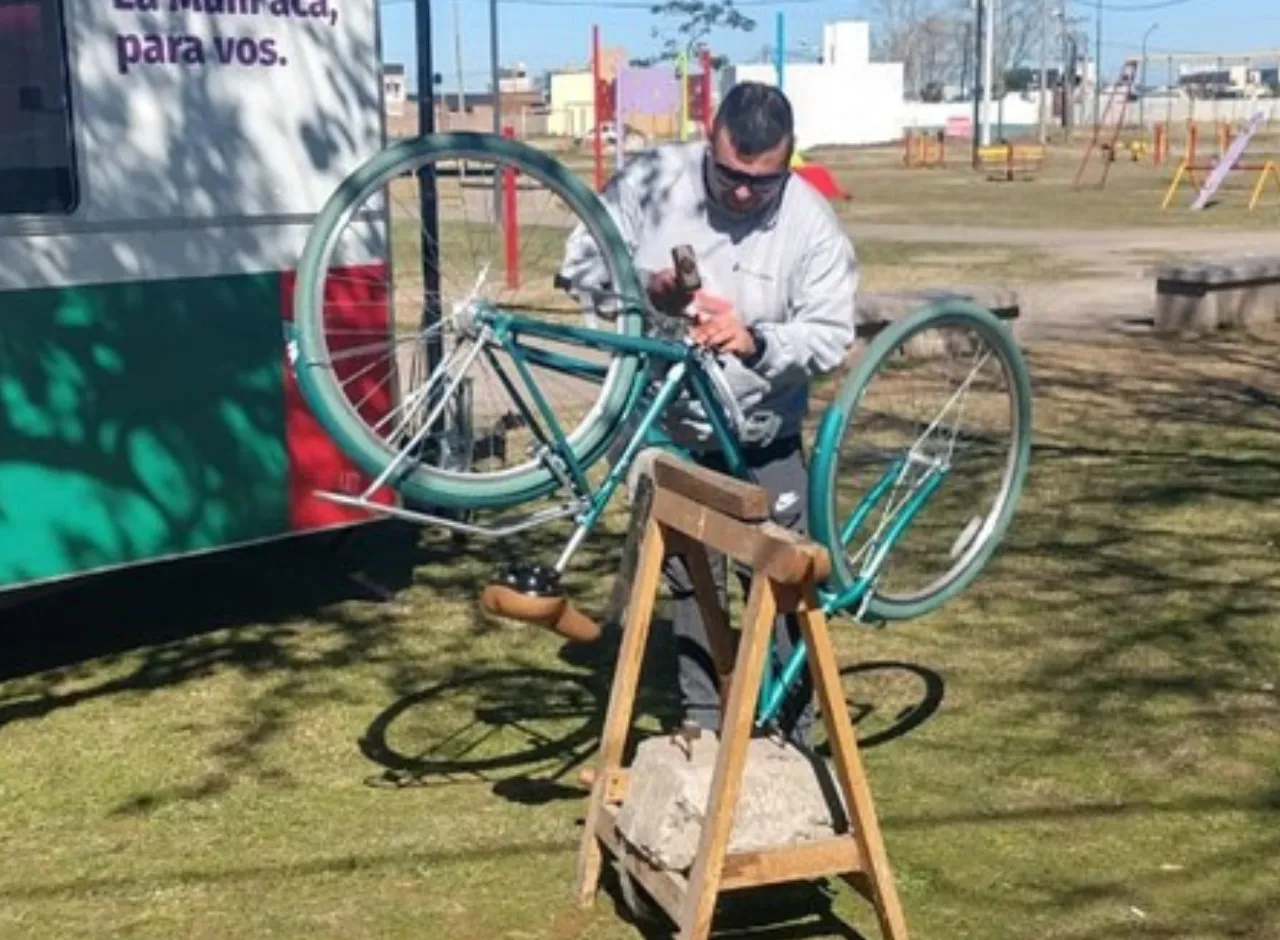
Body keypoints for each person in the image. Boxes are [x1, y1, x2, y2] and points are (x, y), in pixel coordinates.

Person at [558, 81, 860, 747]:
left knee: (784, 579)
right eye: (729, 174)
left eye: (764, 180)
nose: (744, 193)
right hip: (674, 430)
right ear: (709, 139)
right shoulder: (653, 182)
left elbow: (833, 333)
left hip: (762, 431)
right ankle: (703, 724)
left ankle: (794, 733)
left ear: (789, 162)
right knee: (691, 578)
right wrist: (649, 290)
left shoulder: (810, 223)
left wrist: (757, 339)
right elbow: (579, 268)